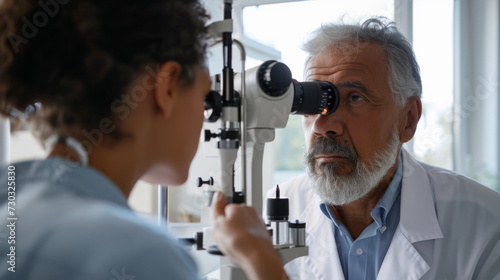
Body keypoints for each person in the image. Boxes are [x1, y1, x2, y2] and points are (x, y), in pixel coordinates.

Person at [0, 1, 286, 279]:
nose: (204, 115)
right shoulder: (140, 255)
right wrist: (262, 259)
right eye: (203, 97)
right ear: (167, 87)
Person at [269, 18, 500, 280]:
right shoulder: (274, 211)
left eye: (355, 98)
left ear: (408, 119)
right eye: (314, 101)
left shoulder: (487, 225)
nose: (322, 125)